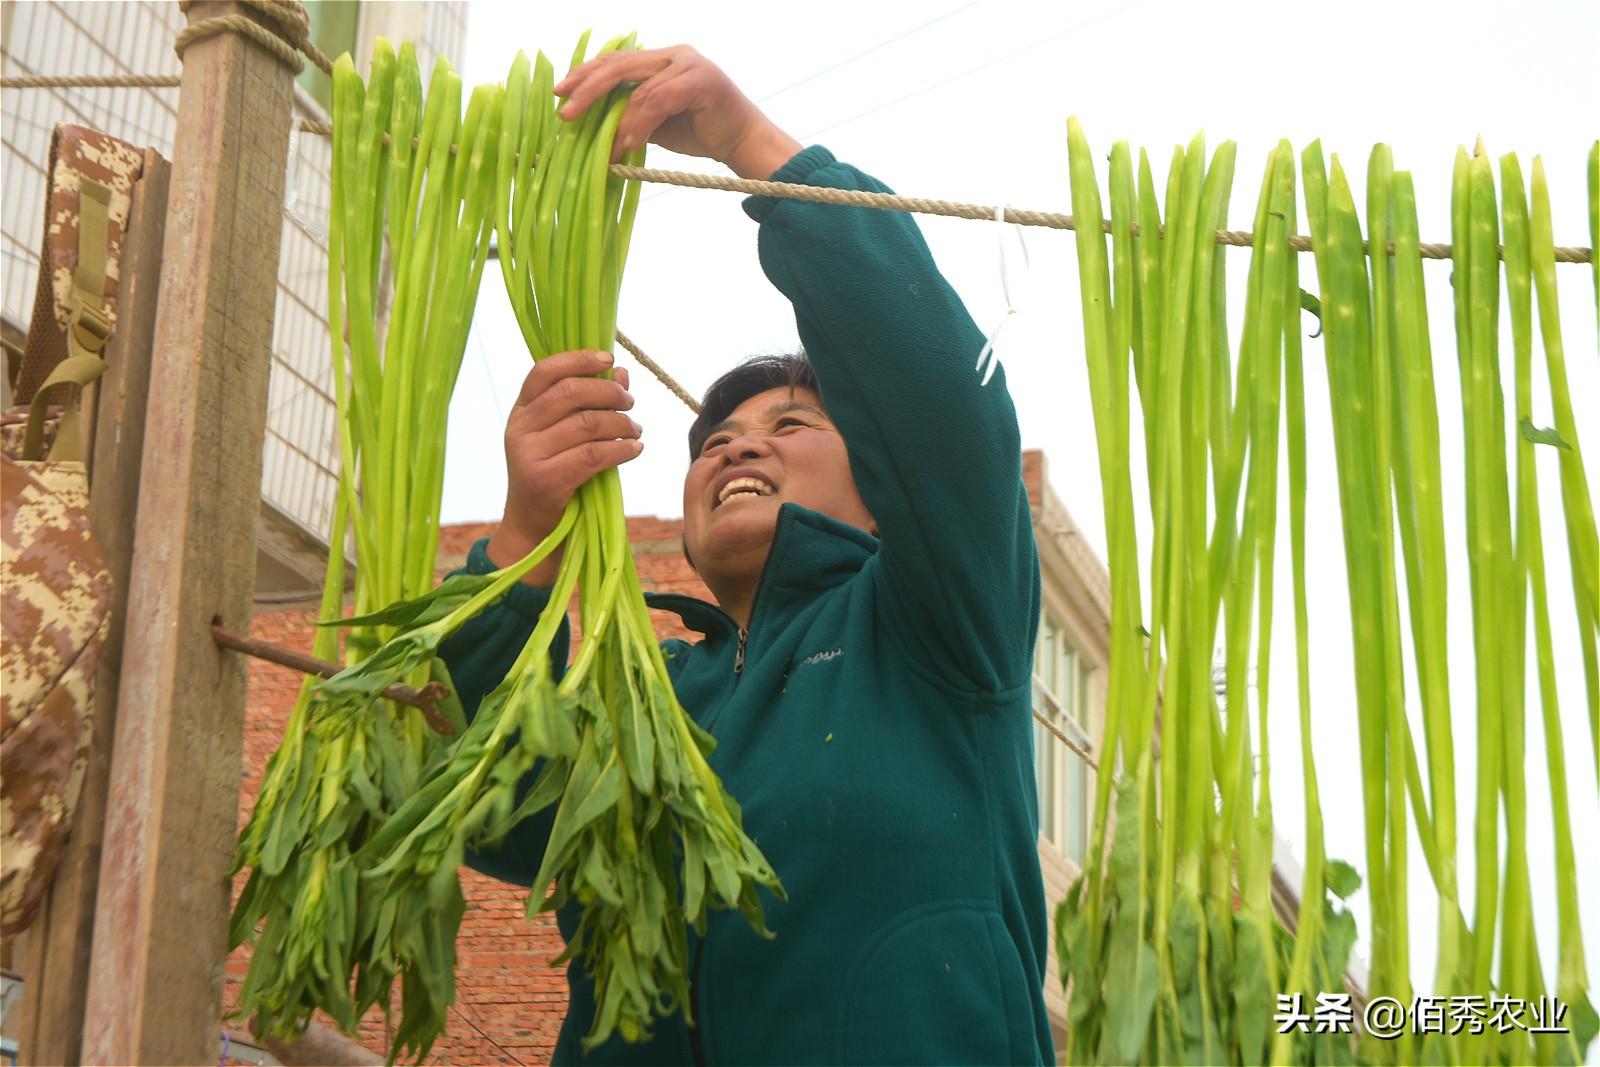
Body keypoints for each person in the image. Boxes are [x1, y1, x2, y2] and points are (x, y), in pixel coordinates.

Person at [439, 45, 1052, 1066]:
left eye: (793, 421)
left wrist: (751, 146)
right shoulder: (646, 701)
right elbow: (476, 789)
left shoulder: (936, 629)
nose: (736, 441)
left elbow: (939, 402)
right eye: (714, 437)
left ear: (884, 482)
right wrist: (522, 533)